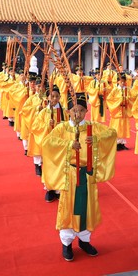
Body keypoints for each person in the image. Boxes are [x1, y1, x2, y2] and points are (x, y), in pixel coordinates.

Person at [42, 93, 117, 262]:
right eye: (74, 110)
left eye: (81, 110)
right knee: (69, 208)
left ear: (86, 111)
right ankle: (66, 243)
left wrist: (96, 139)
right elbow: (48, 143)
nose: (78, 114)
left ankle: (84, 240)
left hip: (87, 176)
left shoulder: (92, 127)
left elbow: (112, 133)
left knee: (87, 208)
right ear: (68, 112)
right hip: (70, 176)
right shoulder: (62, 128)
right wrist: (68, 145)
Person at [106, 72, 134, 150]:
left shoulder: (127, 89)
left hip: (124, 111)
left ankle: (122, 143)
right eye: (121, 81)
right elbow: (109, 99)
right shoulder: (115, 90)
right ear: (118, 81)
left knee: (124, 127)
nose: (123, 82)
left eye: (124, 81)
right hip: (117, 111)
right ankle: (116, 143)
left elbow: (132, 98)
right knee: (117, 127)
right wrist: (119, 100)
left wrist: (127, 99)